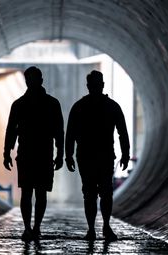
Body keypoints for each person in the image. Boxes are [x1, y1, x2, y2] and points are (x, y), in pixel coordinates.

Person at [65, 70, 130, 241]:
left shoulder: (79, 107)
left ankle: (94, 228)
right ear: (100, 85)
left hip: (89, 156)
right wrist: (125, 154)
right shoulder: (111, 106)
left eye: (96, 84)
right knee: (102, 192)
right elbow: (122, 132)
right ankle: (102, 227)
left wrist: (69, 155)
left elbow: (70, 133)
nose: (96, 87)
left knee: (91, 193)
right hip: (103, 156)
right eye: (95, 84)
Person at [3, 66, 64, 240]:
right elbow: (58, 131)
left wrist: (7, 152)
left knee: (29, 192)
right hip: (41, 154)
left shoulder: (19, 104)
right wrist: (60, 154)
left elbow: (11, 131)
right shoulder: (52, 103)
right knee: (38, 192)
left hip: (28, 154)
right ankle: (33, 227)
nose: (32, 83)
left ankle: (30, 228)